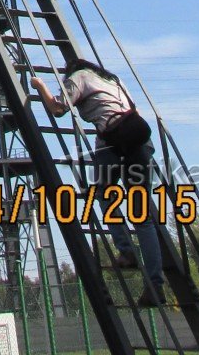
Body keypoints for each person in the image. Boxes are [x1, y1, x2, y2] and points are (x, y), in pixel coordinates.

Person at [31, 58, 166, 308]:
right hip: (140, 142)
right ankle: (155, 286)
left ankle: (126, 250)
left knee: (104, 195)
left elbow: (58, 108)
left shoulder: (78, 77)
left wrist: (39, 86)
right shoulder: (113, 79)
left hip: (113, 143)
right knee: (143, 217)